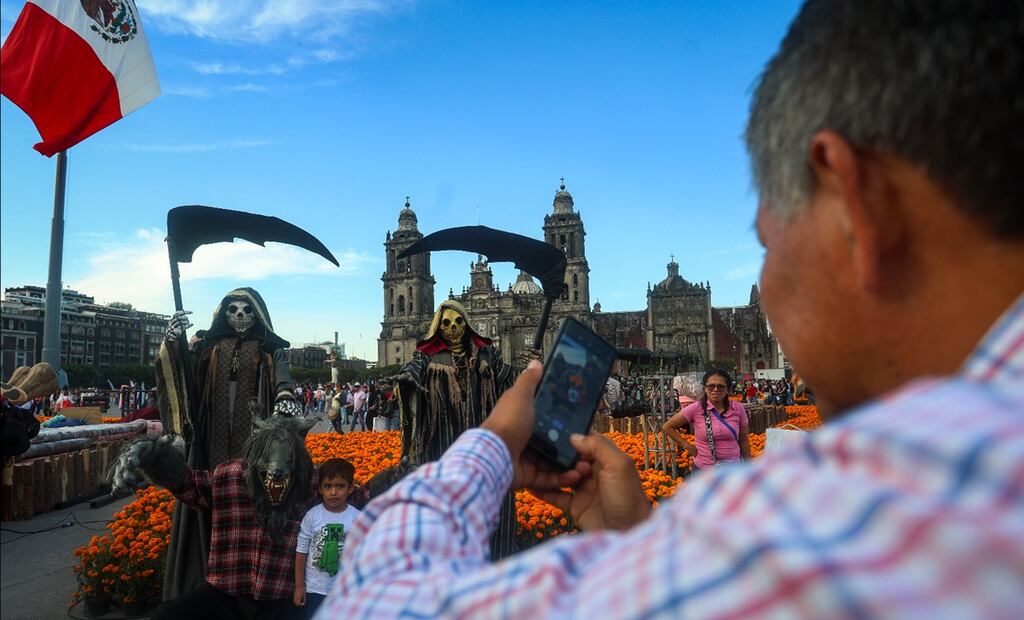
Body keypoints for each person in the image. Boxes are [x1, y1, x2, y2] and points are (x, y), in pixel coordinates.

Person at [318, 1, 1024, 616]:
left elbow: (372, 600)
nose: (772, 282)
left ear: (858, 206)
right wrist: (636, 539)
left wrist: (489, 448)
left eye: (768, 240)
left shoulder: (859, 515)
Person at [294, 458, 360, 619]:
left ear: (351, 488)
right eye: (328, 486)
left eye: (340, 486)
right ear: (320, 489)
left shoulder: (357, 518)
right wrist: (299, 585)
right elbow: (301, 551)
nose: (333, 492)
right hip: (315, 590)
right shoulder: (312, 516)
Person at [662, 370, 750, 470]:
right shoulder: (696, 408)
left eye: (720, 386)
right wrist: (686, 445)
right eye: (711, 386)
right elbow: (667, 426)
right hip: (703, 469)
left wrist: (749, 467)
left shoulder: (738, 408)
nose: (715, 389)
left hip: (732, 470)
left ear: (727, 390)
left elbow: (743, 439)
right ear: (705, 388)